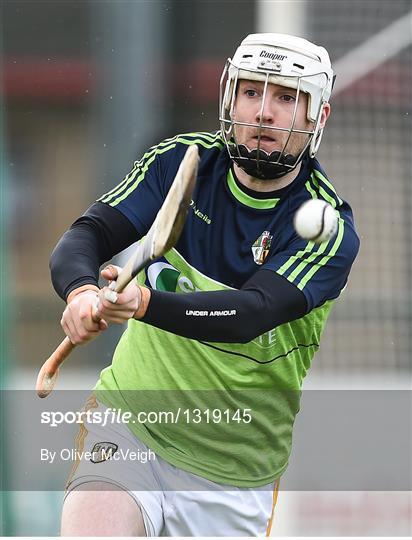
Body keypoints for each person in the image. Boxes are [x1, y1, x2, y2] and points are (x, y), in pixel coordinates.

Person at [52, 33, 359, 536]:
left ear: (317, 117)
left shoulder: (327, 226)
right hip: (132, 424)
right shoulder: (181, 162)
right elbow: (87, 235)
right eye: (251, 92)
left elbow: (251, 313)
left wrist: (145, 303)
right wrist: (81, 290)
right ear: (229, 97)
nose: (264, 112)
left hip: (233, 471)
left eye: (286, 97)